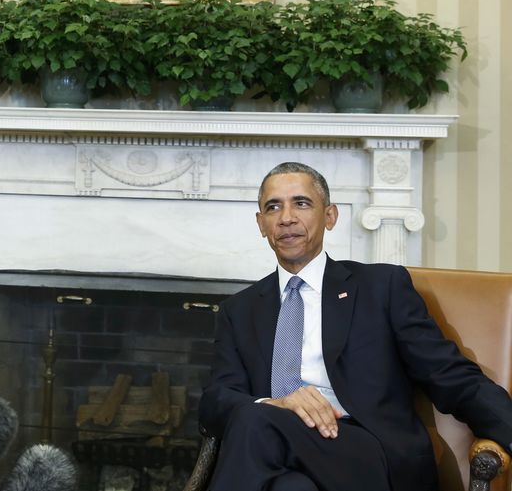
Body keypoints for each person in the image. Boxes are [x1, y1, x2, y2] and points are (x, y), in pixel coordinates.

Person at [199, 161, 512, 491]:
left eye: (301, 203)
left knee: (252, 419)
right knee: (289, 484)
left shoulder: (381, 287)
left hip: (365, 447)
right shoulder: (239, 309)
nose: (286, 217)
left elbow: (449, 375)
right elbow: (215, 401)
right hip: (275, 447)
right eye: (273, 207)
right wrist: (277, 404)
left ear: (330, 216)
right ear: (261, 224)